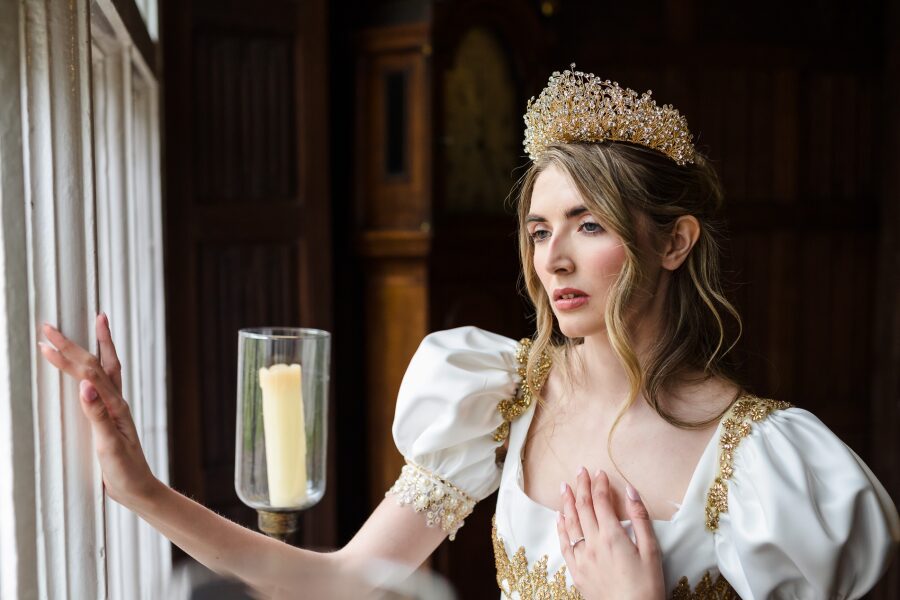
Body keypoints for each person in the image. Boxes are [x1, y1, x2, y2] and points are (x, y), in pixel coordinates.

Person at [39, 65, 899, 599]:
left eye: (589, 225)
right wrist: (141, 489)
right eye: (538, 228)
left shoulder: (772, 466)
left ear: (674, 241)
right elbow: (338, 583)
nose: (552, 258)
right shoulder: (498, 398)